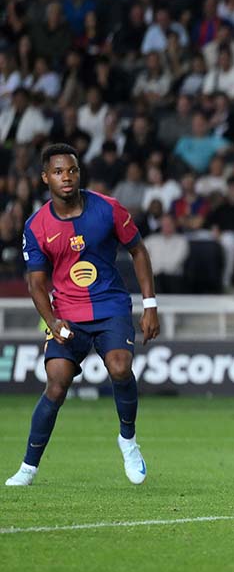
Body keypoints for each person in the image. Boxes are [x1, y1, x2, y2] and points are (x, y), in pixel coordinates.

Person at [7, 144, 160, 486]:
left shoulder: (108, 209)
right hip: (67, 313)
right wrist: (53, 321)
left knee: (121, 367)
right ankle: (28, 467)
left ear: (79, 173)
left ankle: (128, 441)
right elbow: (35, 283)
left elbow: (138, 250)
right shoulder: (36, 226)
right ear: (46, 177)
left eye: (72, 170)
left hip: (110, 306)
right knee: (57, 383)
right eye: (59, 171)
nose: (67, 177)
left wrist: (150, 306)